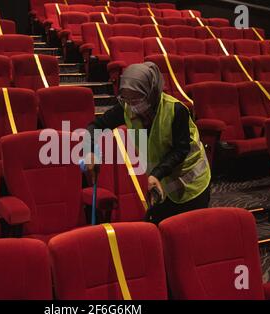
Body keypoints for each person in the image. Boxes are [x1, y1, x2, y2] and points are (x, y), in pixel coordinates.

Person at [84, 62, 211, 225]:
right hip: (163, 184)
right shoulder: (127, 107)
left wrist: (156, 174)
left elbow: (181, 150)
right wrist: (90, 151)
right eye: (126, 98)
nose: (131, 105)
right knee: (159, 229)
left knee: (189, 233)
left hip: (192, 184)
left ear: (150, 93)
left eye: (136, 98)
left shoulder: (176, 110)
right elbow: (95, 126)